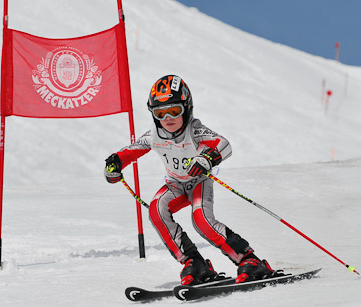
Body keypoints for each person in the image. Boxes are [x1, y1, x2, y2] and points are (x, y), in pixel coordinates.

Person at [104, 74, 283, 285]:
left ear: (187, 108)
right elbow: (130, 151)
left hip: (199, 181)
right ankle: (194, 263)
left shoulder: (195, 130)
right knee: (156, 210)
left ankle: (249, 260)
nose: (168, 118)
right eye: (160, 113)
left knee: (202, 220)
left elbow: (224, 145)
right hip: (175, 184)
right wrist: (115, 162)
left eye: (174, 111)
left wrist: (208, 157)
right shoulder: (153, 135)